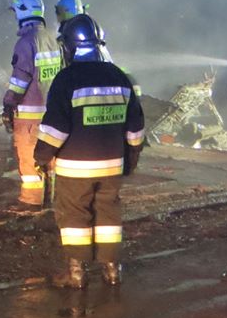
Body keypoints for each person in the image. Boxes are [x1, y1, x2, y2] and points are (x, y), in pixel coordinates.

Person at [34, 14, 145, 288]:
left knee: (74, 217)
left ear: (70, 46)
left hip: (75, 167)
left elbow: (55, 129)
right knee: (108, 216)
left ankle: (75, 274)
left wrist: (41, 157)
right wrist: (130, 159)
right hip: (111, 167)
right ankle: (112, 270)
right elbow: (136, 128)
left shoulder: (66, 79)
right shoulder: (119, 76)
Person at [3, 0, 63, 207]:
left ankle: (31, 203)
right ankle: (53, 201)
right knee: (51, 158)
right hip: (53, 113)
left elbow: (20, 79)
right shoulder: (53, 39)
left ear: (21, 12)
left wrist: (9, 103)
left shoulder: (25, 43)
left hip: (30, 115)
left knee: (29, 160)